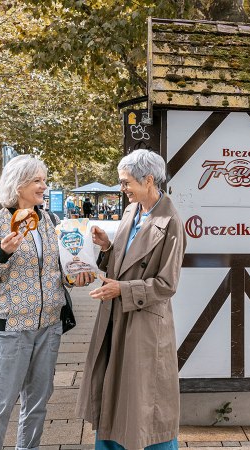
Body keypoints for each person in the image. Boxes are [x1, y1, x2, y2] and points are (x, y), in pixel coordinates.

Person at [0, 155, 92, 450]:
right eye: (38, 180)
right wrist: (2, 253)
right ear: (19, 184)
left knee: (36, 406)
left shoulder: (49, 222)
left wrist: (75, 277)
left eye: (43, 179)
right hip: (11, 329)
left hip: (49, 328)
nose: (44, 185)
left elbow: (56, 272)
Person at [78, 149, 186, 450]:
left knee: (143, 401)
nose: (122, 188)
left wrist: (122, 290)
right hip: (116, 316)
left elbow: (167, 284)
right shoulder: (131, 211)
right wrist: (107, 247)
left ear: (148, 179)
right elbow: (125, 263)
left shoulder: (172, 222)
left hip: (143, 324)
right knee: (113, 393)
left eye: (126, 183)